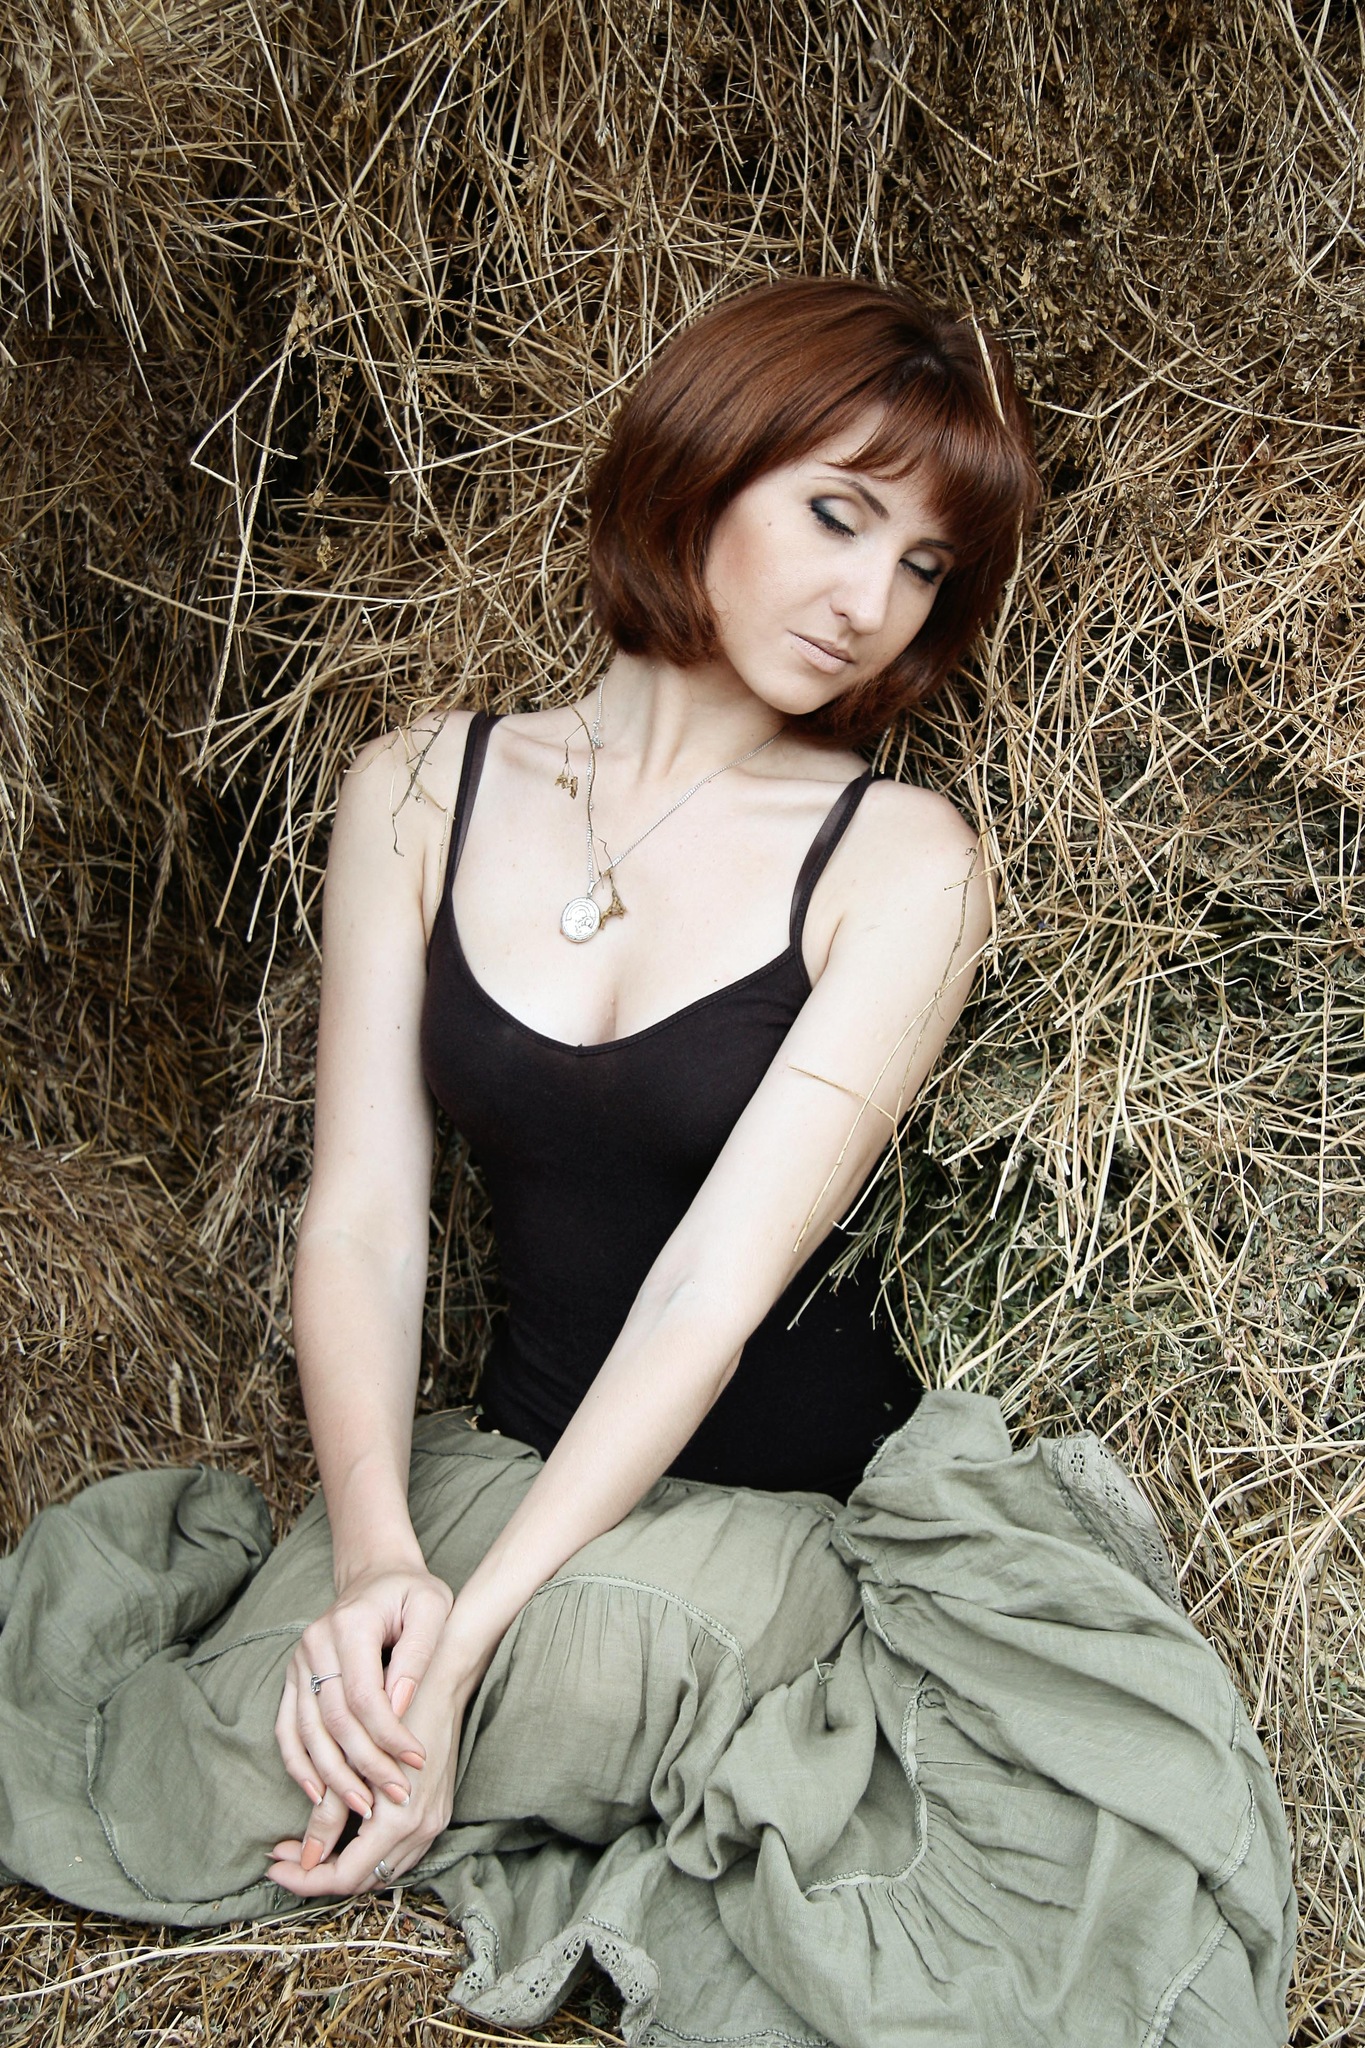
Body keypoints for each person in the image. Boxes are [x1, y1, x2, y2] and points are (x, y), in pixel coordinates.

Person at [0, 278, 1294, 2048]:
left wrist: (468, 1642)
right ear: (701, 464)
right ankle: (515, 1715)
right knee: (197, 1778)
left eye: (923, 565)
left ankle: (580, 1716)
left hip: (786, 1510)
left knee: (500, 1706)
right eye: (836, 515)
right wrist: (381, 1565)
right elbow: (364, 1218)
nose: (868, 601)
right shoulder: (418, 790)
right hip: (507, 1461)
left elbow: (708, 1285)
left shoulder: (899, 856)